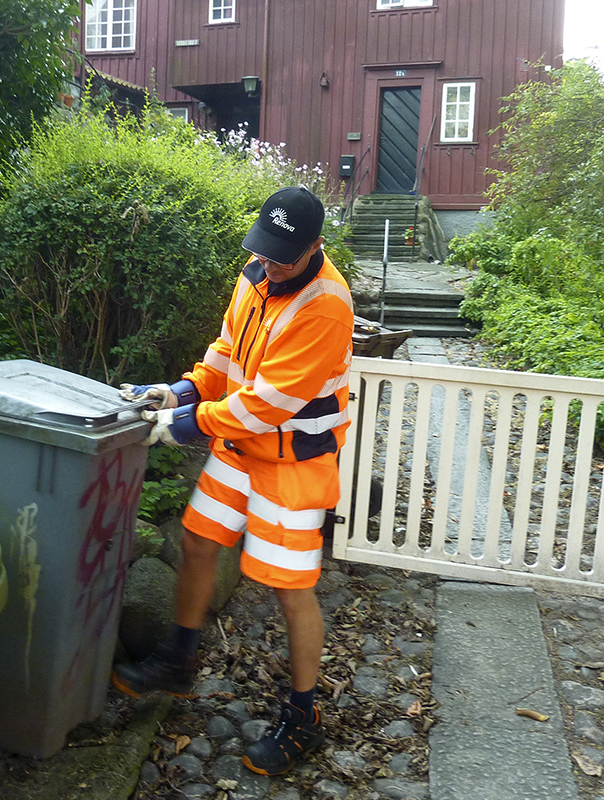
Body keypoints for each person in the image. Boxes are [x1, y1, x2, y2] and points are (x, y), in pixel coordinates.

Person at [113, 185, 353, 776]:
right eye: (264, 251)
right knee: (197, 539)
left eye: (283, 257)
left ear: (315, 247)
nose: (269, 265)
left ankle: (305, 718)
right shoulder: (255, 273)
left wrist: (176, 425)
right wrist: (182, 390)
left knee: (289, 589)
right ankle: (181, 660)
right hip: (240, 446)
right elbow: (227, 352)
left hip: (293, 460)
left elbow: (266, 404)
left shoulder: (327, 306)